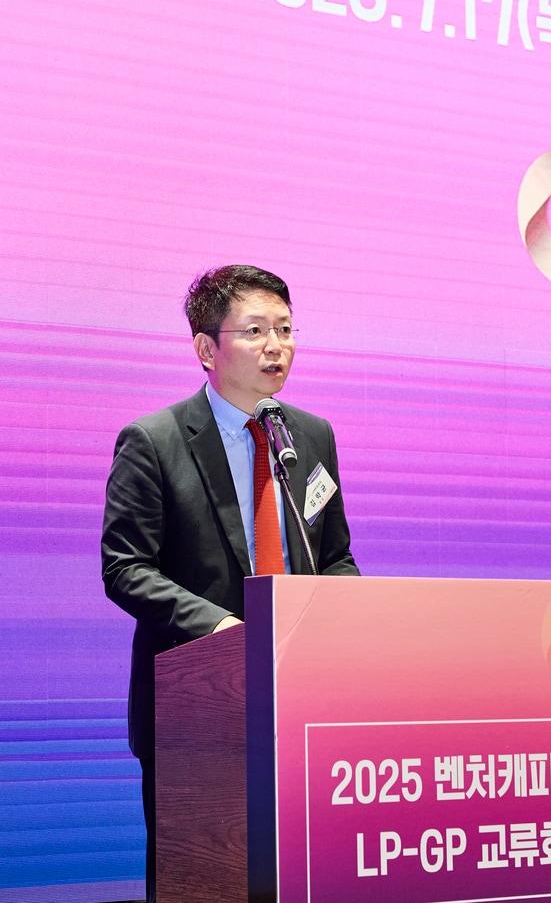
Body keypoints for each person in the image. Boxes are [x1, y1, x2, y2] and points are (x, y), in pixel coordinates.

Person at [100, 264, 358, 900]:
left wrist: (347, 618)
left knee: (301, 873)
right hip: (197, 704)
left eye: (286, 330)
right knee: (204, 884)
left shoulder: (310, 436)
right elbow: (125, 567)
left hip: (302, 701)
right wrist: (222, 629)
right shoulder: (154, 441)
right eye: (255, 331)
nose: (276, 346)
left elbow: (335, 556)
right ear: (206, 348)